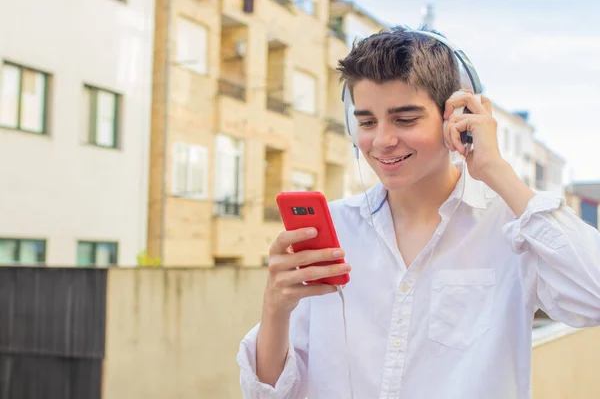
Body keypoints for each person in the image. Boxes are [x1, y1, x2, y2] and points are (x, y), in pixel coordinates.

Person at [236, 26, 600, 399]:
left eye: (405, 119)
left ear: (455, 116)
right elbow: (268, 393)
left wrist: (495, 170)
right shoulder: (334, 229)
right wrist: (275, 307)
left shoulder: (512, 226)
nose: (381, 141)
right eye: (366, 122)